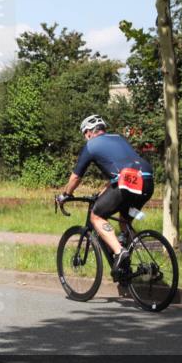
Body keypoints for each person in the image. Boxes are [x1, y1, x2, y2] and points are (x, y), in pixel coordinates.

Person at [56, 115, 154, 279]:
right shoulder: (118, 138)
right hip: (147, 180)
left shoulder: (91, 145)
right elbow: (118, 176)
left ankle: (119, 252)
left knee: (97, 216)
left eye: (84, 134)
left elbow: (76, 178)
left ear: (88, 132)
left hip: (127, 184)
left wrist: (65, 195)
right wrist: (100, 195)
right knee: (125, 221)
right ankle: (126, 269)